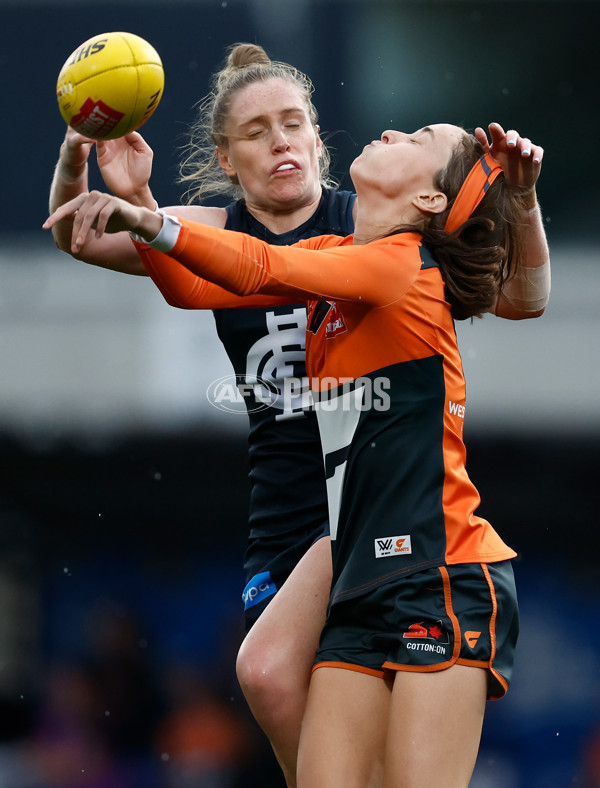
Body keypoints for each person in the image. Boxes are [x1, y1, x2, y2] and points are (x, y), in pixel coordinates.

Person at [47, 43, 550, 787]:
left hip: (427, 552)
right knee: (284, 695)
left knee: (330, 717)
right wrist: (130, 203)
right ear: (227, 157)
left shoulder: (389, 255)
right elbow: (198, 283)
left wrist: (522, 199)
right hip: (346, 535)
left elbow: (266, 268)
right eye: (257, 131)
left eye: (294, 122)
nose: (391, 132)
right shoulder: (325, 246)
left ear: (317, 137)